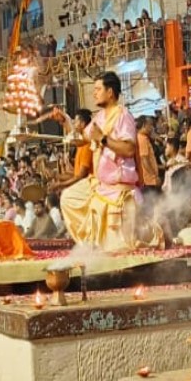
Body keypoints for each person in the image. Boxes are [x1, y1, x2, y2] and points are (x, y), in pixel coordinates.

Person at [60, 71, 142, 252]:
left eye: (97, 89)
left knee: (118, 249)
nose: (94, 93)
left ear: (110, 92)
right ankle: (86, 245)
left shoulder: (123, 115)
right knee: (68, 198)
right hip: (99, 184)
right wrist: (64, 122)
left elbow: (129, 149)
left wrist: (104, 139)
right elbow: (81, 139)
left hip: (118, 188)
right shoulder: (99, 117)